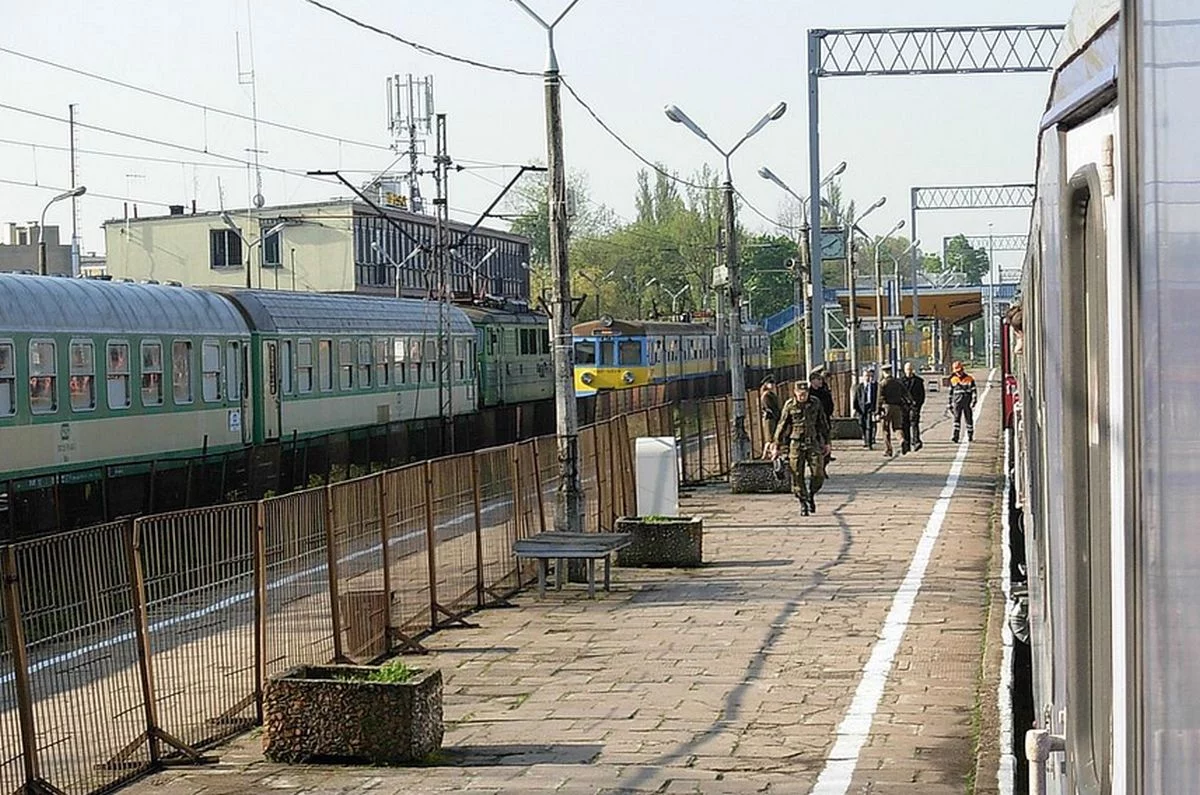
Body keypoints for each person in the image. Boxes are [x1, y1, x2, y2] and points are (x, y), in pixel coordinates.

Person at [770, 379, 830, 516]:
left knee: (818, 473)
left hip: (812, 442)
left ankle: (811, 494)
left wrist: (827, 442)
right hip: (796, 443)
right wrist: (776, 445)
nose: (803, 396)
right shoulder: (790, 405)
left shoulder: (815, 403)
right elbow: (782, 425)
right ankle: (803, 502)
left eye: (805, 393)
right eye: (800, 394)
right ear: (795, 393)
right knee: (797, 474)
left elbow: (822, 423)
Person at [878, 364, 913, 457]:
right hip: (897, 408)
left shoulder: (883, 383)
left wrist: (877, 411)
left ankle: (888, 450)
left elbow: (880, 398)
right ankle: (901, 440)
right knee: (897, 427)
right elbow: (906, 393)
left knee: (885, 429)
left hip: (886, 407)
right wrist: (909, 403)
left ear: (883, 372)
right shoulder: (898, 382)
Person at [808, 367, 835, 469]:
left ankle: (823, 466)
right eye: (818, 380)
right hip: (813, 424)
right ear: (812, 381)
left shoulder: (824, 392)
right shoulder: (808, 393)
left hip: (824, 421)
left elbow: (830, 405)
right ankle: (817, 467)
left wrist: (826, 415)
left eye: (821, 379)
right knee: (816, 446)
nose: (820, 381)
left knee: (826, 443)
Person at [948, 360, 978, 443]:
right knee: (956, 420)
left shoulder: (969, 379)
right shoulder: (953, 379)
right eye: (957, 372)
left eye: (959, 371)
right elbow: (950, 393)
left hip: (967, 402)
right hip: (957, 402)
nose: (958, 373)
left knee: (969, 419)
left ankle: (970, 435)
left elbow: (974, 390)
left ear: (962, 370)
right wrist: (949, 404)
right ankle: (955, 436)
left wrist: (974, 400)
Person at [900, 362, 926, 451]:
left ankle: (916, 442)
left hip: (914, 406)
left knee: (914, 424)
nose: (909, 371)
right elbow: (899, 395)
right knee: (905, 425)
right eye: (907, 369)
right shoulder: (900, 381)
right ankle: (906, 443)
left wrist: (918, 405)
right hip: (904, 407)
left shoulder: (918, 381)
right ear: (904, 370)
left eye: (910, 369)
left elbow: (922, 395)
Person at [853, 367, 878, 449]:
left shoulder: (874, 386)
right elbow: (856, 398)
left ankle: (869, 443)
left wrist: (876, 409)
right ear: (863, 377)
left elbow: (876, 398)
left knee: (869, 426)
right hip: (861, 409)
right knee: (862, 425)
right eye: (865, 376)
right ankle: (865, 439)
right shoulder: (859, 387)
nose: (867, 378)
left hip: (870, 408)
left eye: (868, 376)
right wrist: (856, 409)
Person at [758, 374, 781, 459]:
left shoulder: (772, 394)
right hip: (769, 419)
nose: (772, 385)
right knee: (770, 438)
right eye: (770, 383)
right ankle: (766, 456)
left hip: (773, 418)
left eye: (773, 383)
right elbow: (770, 408)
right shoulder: (766, 395)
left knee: (771, 438)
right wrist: (778, 416)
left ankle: (766, 455)